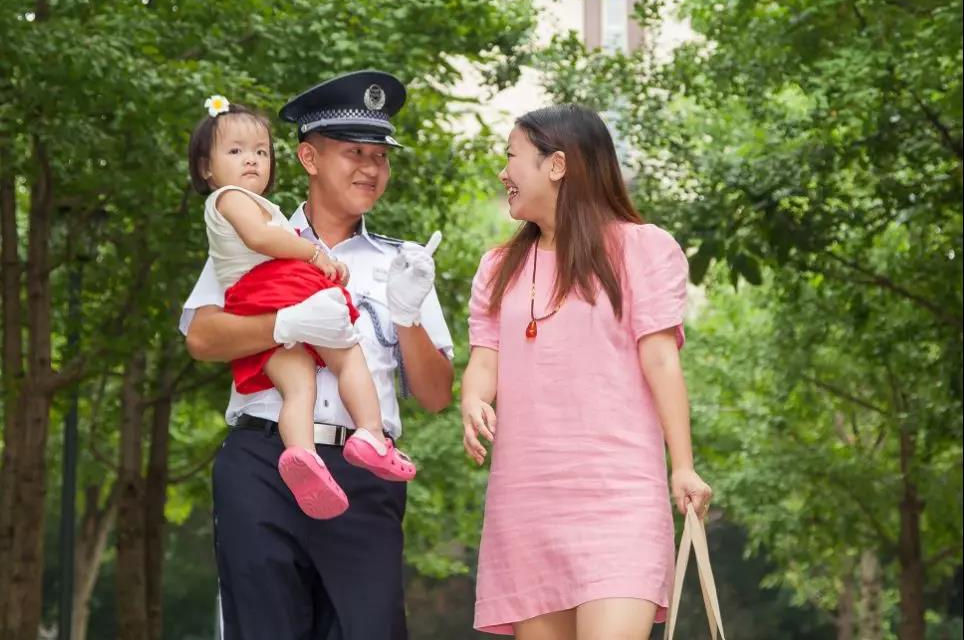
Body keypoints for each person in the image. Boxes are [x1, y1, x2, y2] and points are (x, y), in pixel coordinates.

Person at [179, 70, 454, 640]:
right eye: (354, 152)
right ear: (308, 156)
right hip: (262, 461)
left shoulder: (402, 262)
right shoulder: (254, 232)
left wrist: (406, 315)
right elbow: (203, 339)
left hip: (363, 472)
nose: (371, 168)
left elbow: (434, 395)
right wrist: (283, 324)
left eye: (380, 156)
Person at [461, 103, 713, 639]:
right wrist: (474, 399)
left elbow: (662, 360)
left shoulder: (643, 249)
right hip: (527, 504)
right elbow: (485, 358)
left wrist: (683, 466)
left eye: (512, 158)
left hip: (619, 498)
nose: (503, 173)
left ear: (556, 166)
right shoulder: (497, 267)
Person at [187, 95, 417, 521]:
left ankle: (301, 455)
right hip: (278, 285)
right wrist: (313, 255)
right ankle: (370, 433)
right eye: (235, 151)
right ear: (206, 167)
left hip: (256, 295)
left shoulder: (243, 205)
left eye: (260, 152)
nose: (251, 161)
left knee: (298, 386)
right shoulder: (234, 199)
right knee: (347, 353)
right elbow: (261, 241)